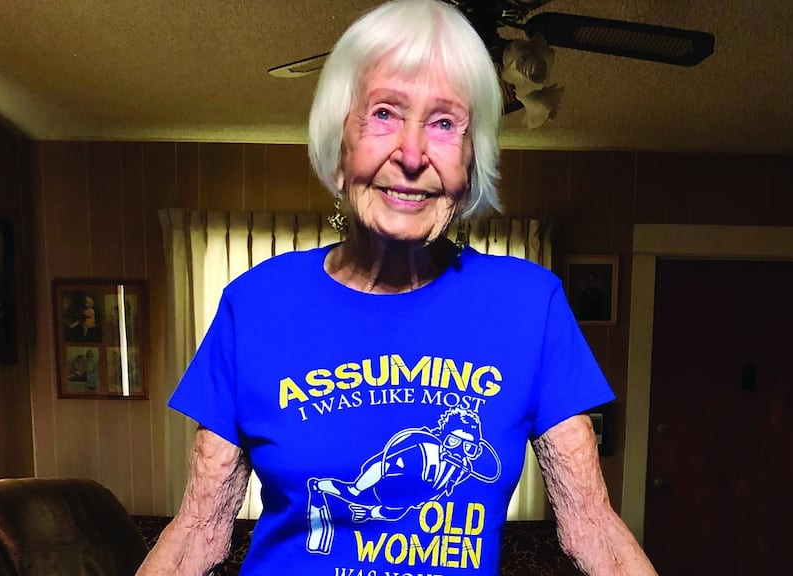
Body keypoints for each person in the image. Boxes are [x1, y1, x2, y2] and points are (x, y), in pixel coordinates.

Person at [137, 1, 657, 574]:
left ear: (470, 165)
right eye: (384, 113)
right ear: (339, 147)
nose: (411, 156)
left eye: (444, 124)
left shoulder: (530, 306)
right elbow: (199, 532)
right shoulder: (257, 304)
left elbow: (592, 527)